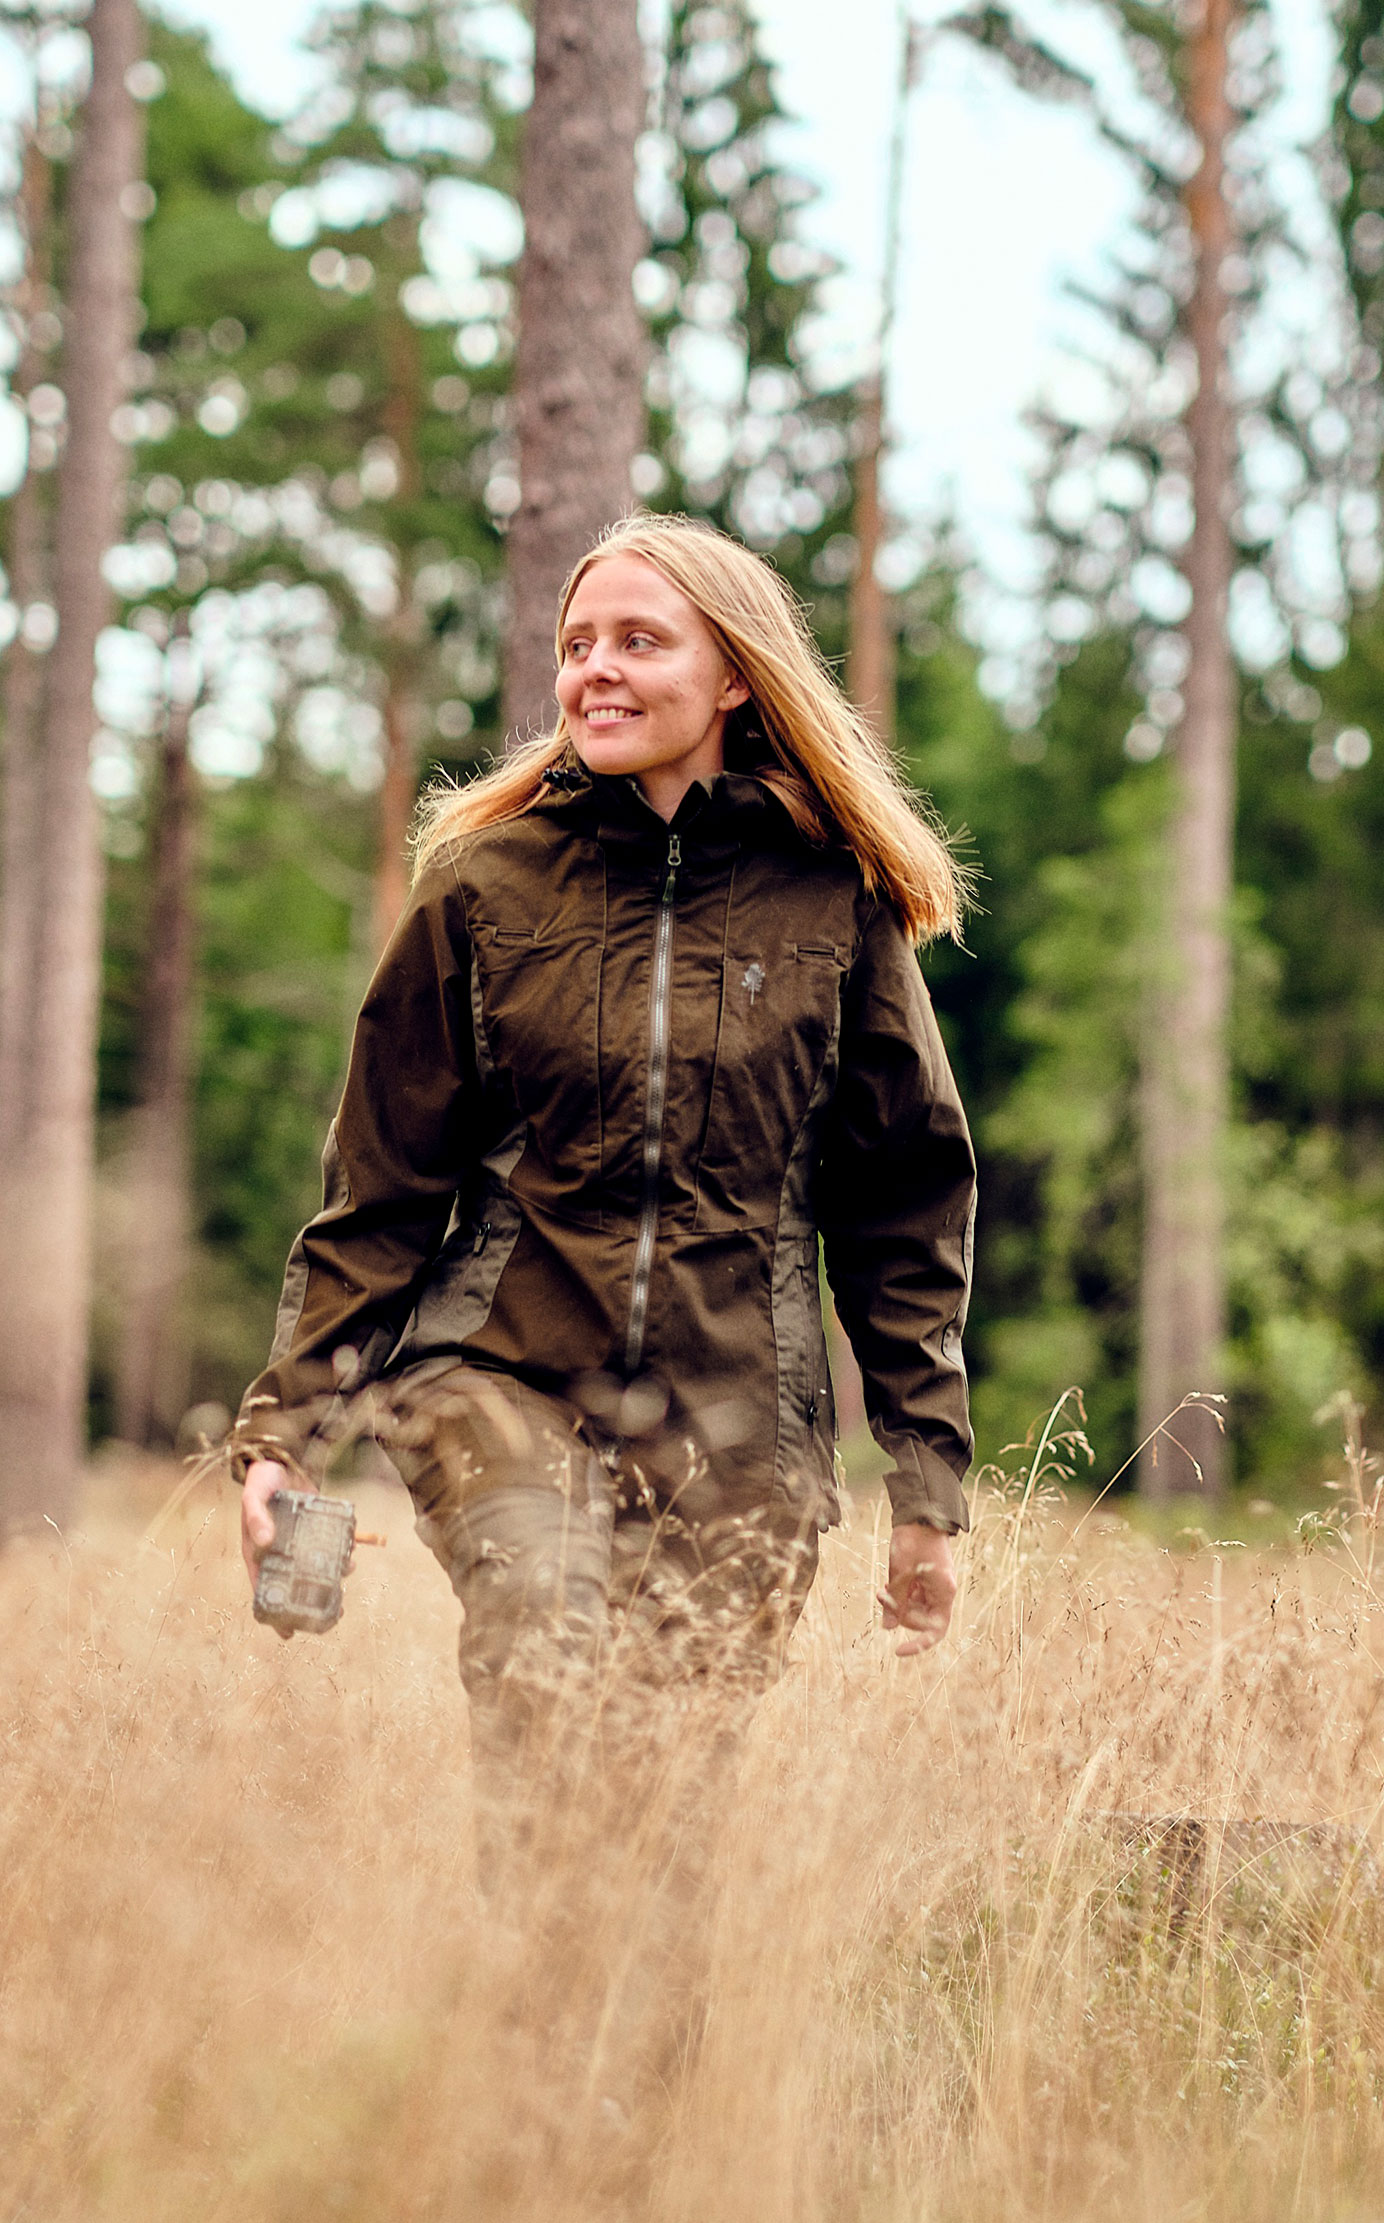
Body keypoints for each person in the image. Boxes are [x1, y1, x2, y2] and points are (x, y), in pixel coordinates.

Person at [230, 513, 975, 2079]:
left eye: (638, 640)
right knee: (548, 1672)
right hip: (496, 1382)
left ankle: (624, 2145)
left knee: (669, 1811)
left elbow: (902, 1200)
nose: (595, 667)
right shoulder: (484, 888)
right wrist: (283, 1433)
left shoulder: (828, 903)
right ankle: (531, 2096)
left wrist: (924, 1484)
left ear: (732, 677)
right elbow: (379, 1186)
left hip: (741, 1434)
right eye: (577, 643)